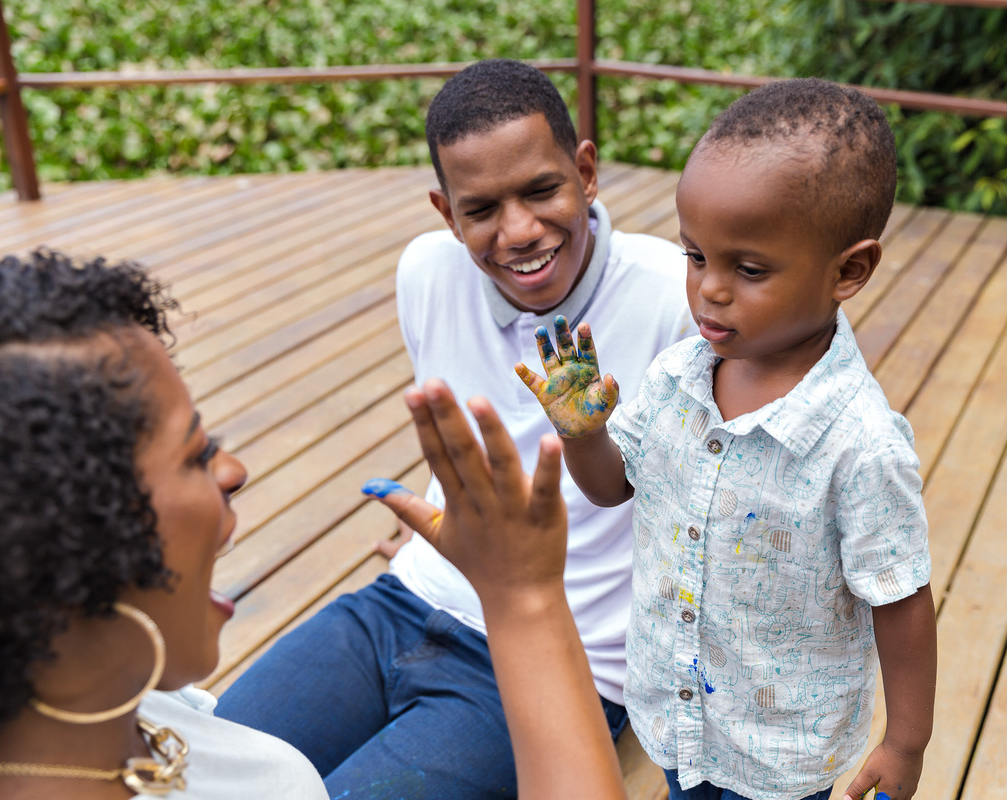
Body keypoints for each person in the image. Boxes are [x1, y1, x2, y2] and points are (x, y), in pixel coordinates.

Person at [214, 58, 694, 799]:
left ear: (587, 171)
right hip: (403, 600)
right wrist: (446, 536)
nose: (520, 232)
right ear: (446, 213)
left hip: (569, 653)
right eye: (481, 210)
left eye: (541, 190)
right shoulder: (428, 272)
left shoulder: (676, 297)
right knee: (205, 770)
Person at [0, 250, 630, 800]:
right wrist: (522, 595)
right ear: (65, 538)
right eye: (196, 453)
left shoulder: (109, 703)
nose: (234, 469)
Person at [518, 79, 937, 800]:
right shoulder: (680, 373)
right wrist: (584, 436)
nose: (710, 289)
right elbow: (614, 486)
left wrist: (906, 742)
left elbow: (899, 598)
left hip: (779, 754)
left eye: (748, 269)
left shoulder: (861, 445)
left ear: (850, 270)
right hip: (675, 714)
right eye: (694, 256)